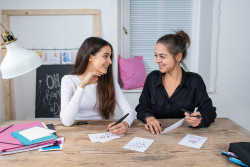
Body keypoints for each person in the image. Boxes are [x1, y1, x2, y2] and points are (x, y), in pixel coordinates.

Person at [136, 30, 216, 135]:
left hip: (184, 135)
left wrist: (200, 119)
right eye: (156, 55)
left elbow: (209, 110)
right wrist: (149, 118)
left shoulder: (195, 81)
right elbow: (142, 107)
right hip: (155, 135)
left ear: (178, 57)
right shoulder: (152, 78)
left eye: (162, 56)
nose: (157, 60)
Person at [60, 37, 135, 135]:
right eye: (105, 56)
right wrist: (82, 85)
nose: (110, 61)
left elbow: (129, 110)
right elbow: (67, 121)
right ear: (90, 57)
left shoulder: (109, 81)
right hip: (76, 132)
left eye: (110, 57)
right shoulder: (68, 80)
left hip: (103, 132)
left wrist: (125, 124)